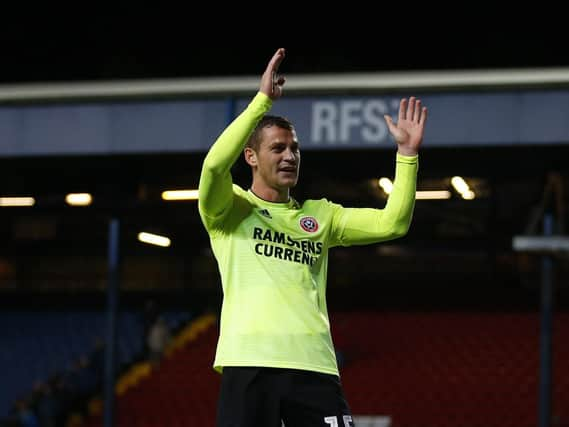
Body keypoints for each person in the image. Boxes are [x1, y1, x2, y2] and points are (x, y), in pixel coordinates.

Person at [198, 48, 427, 427]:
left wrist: (406, 155)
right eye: (278, 148)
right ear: (251, 157)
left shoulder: (320, 215)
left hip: (314, 367)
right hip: (249, 365)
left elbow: (393, 224)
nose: (290, 156)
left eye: (295, 148)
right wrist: (262, 102)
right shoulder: (229, 210)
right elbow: (213, 166)